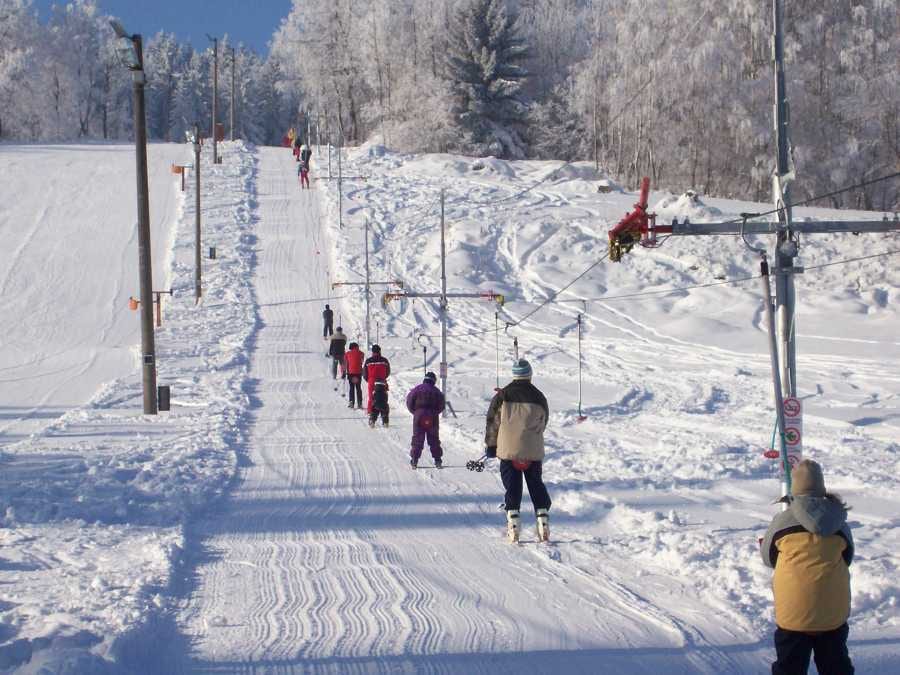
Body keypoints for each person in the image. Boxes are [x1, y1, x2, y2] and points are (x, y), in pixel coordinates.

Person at [760, 459, 855, 675]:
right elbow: (847, 557)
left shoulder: (783, 520)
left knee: (790, 667)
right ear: (822, 487)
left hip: (794, 613)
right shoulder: (838, 519)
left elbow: (767, 558)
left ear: (794, 488)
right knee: (835, 665)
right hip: (832, 613)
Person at [484, 359, 551, 543]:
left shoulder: (503, 395)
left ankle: (513, 522)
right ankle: (542, 517)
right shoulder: (539, 396)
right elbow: (543, 420)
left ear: (514, 375)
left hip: (508, 450)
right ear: (529, 375)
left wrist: (491, 446)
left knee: (512, 486)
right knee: (535, 483)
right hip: (533, 450)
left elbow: (493, 422)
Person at [405, 371, 445, 469]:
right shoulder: (437, 391)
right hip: (433, 416)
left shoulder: (416, 389)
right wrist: (435, 413)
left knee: (418, 438)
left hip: (419, 415)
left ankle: (414, 460)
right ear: (434, 381)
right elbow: (442, 405)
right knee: (434, 438)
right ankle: (438, 460)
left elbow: (409, 402)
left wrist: (415, 412)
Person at [363, 344, 391, 414]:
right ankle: (383, 411)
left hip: (371, 380)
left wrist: (368, 380)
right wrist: (384, 377)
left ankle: (370, 411)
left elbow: (364, 373)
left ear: (372, 352)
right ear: (380, 351)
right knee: (383, 396)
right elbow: (388, 371)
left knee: (371, 397)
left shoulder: (368, 361)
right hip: (382, 380)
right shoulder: (385, 360)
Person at [343, 342, 364, 409]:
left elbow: (345, 364)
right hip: (358, 373)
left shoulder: (347, 354)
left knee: (351, 388)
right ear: (356, 347)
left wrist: (344, 372)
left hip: (350, 373)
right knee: (358, 388)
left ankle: (351, 402)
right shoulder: (361, 353)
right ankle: (360, 403)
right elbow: (362, 361)